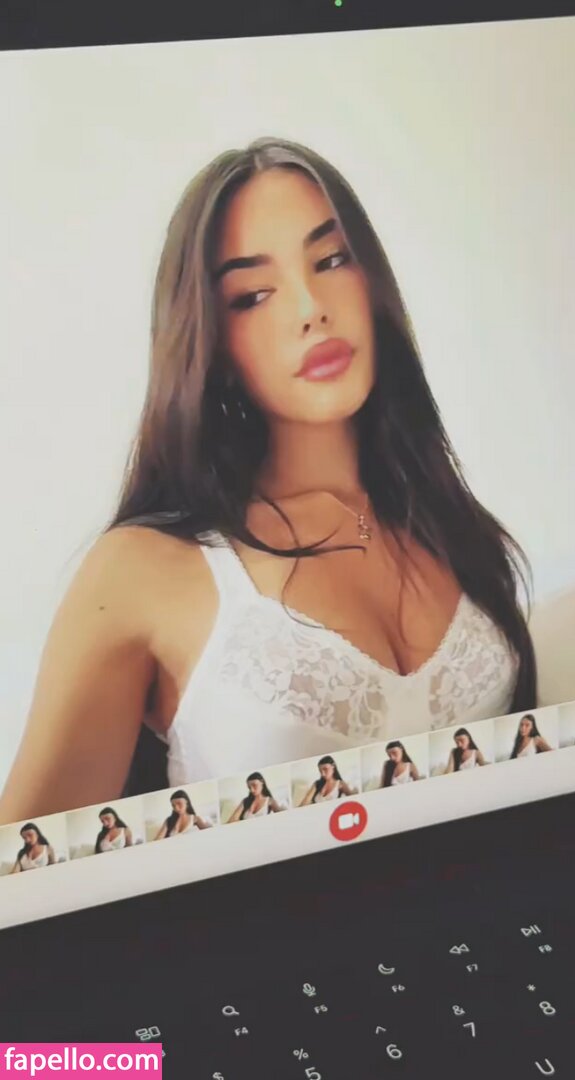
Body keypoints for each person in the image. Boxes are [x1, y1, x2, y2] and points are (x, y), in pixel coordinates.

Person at [0, 137, 537, 824]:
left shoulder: (447, 524)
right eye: (253, 295)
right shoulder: (144, 570)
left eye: (331, 260)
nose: (310, 307)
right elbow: (29, 867)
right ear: (211, 342)